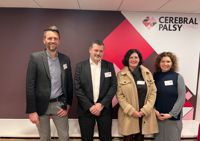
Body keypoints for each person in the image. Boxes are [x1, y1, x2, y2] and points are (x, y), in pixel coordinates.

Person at [26, 25, 73, 141]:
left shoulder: (65, 59)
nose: (52, 41)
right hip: (40, 106)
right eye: (49, 38)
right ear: (44, 40)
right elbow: (30, 85)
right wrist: (32, 110)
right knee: (45, 138)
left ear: (59, 41)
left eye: (55, 38)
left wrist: (67, 105)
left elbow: (69, 83)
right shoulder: (35, 58)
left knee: (64, 137)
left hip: (59, 104)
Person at [74, 40, 117, 141]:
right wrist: (90, 106)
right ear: (90, 50)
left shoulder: (109, 66)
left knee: (106, 138)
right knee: (86, 138)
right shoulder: (80, 66)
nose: (98, 53)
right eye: (96, 50)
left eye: (101, 51)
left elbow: (113, 86)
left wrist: (100, 105)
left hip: (104, 110)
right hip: (85, 110)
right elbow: (77, 88)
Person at [116, 49, 158, 141]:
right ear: (127, 59)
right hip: (129, 115)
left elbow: (153, 92)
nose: (134, 59)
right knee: (128, 138)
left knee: (140, 138)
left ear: (139, 59)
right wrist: (132, 111)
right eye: (131, 57)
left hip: (143, 115)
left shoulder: (147, 73)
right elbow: (120, 96)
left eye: (136, 57)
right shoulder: (120, 75)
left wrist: (145, 110)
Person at [154, 52, 186, 141]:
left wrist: (171, 114)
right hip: (158, 118)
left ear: (172, 63)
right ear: (159, 63)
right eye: (162, 61)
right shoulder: (154, 76)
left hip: (173, 119)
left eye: (168, 61)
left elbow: (182, 98)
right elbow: (151, 95)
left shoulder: (178, 77)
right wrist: (154, 110)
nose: (165, 64)